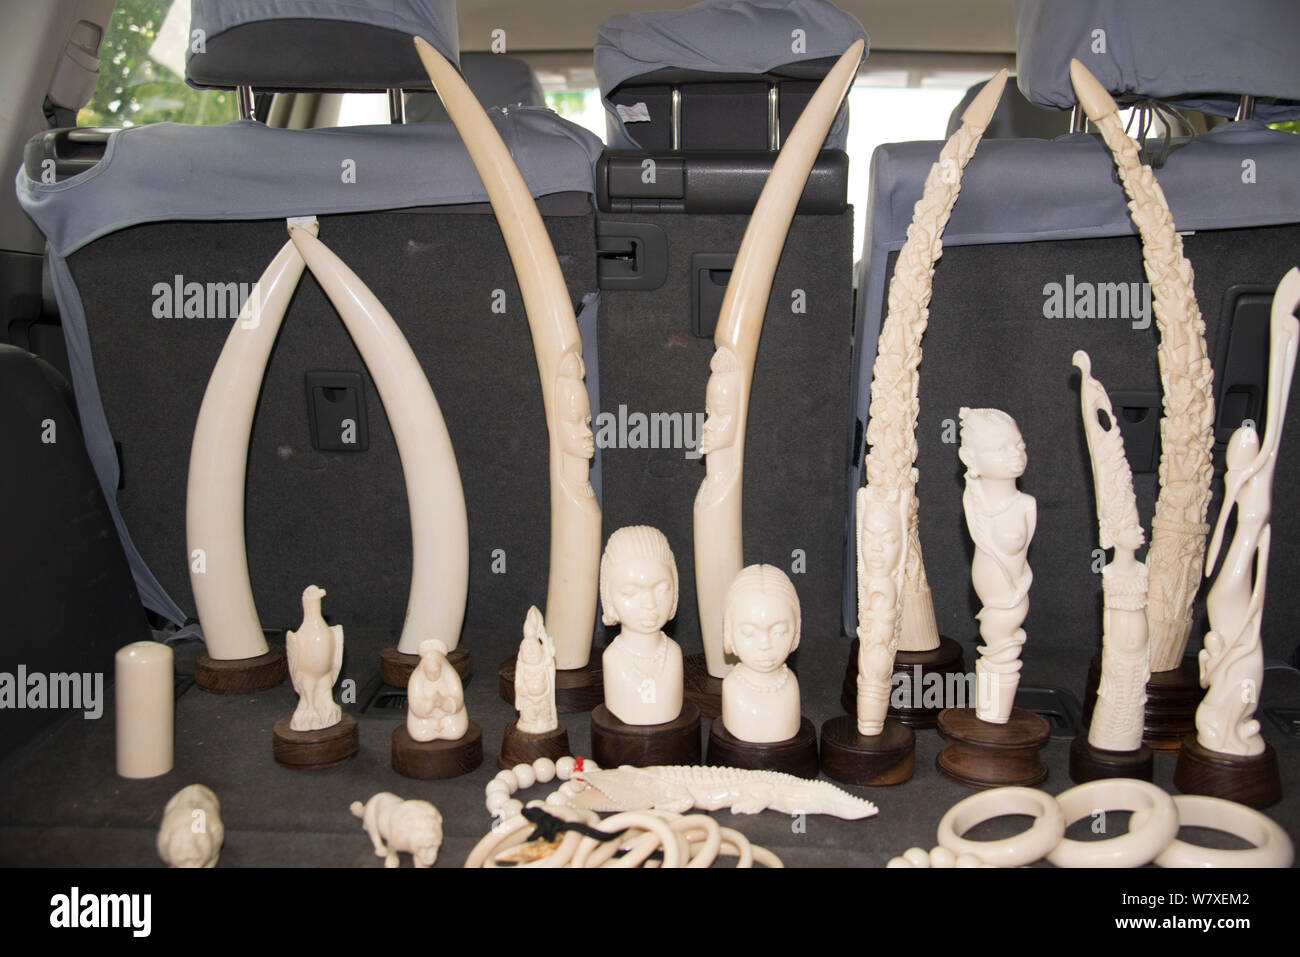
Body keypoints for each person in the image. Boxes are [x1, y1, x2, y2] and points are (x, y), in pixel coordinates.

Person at [600, 526, 684, 725]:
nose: (649, 604)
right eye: (630, 592)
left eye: (661, 588)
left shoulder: (673, 654)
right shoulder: (613, 659)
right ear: (608, 596)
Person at [721, 564, 802, 743]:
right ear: (729, 632)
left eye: (779, 632)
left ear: (796, 630)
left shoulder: (790, 686)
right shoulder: (732, 687)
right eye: (749, 633)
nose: (765, 645)